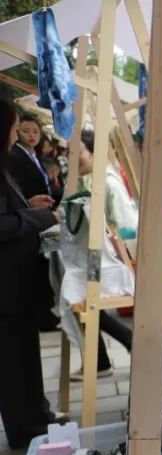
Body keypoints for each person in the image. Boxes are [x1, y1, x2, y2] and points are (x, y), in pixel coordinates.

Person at [0, 99, 64, 448]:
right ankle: (25, 427)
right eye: (14, 128)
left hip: (17, 282)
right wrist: (38, 217)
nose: (17, 136)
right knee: (13, 359)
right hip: (6, 286)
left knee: (25, 351)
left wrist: (28, 206)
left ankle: (38, 416)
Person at [72, 128, 136, 379]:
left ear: (93, 152)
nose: (72, 156)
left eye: (78, 151)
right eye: (69, 151)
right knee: (81, 302)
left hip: (110, 262)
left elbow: (127, 227)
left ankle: (119, 346)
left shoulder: (108, 183)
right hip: (90, 258)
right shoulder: (83, 180)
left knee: (84, 302)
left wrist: (126, 261)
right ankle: (101, 360)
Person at [8, 115, 58, 332]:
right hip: (29, 222)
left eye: (35, 131)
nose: (31, 135)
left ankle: (46, 315)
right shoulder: (15, 156)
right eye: (24, 130)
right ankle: (44, 317)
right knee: (38, 269)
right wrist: (30, 206)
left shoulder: (33, 155)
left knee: (44, 268)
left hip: (38, 215)